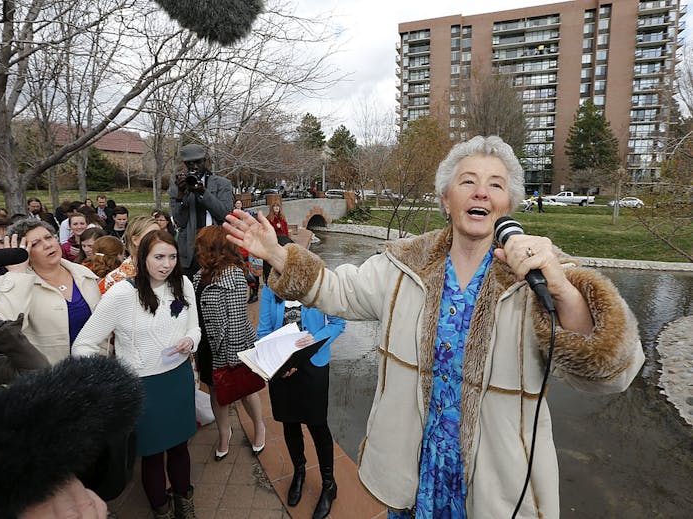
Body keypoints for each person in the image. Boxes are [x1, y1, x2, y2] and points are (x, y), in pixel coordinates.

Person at [224, 135, 644, 518]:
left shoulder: (540, 272)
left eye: (496, 184)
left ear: (508, 205)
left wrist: (564, 291)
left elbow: (613, 373)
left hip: (495, 486)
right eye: (468, 181)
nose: (481, 191)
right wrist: (279, 256)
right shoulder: (404, 264)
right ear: (446, 198)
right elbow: (341, 291)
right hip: (415, 471)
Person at [73, 230, 201, 519]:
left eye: (171, 257)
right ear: (142, 258)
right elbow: (83, 343)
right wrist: (109, 378)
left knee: (181, 447)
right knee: (153, 454)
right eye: (159, 257)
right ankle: (161, 509)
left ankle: (184, 501)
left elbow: (195, 327)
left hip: (178, 380)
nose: (166, 264)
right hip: (142, 386)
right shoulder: (121, 293)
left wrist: (191, 341)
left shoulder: (183, 283)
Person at [256, 235, 346, 519]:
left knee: (318, 425)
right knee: (290, 423)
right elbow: (263, 331)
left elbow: (339, 324)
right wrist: (277, 362)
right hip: (283, 367)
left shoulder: (317, 281)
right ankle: (298, 471)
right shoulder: (271, 289)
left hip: (313, 363)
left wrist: (308, 345)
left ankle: (329, 483)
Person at [192, 225, 265, 461]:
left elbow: (236, 318)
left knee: (244, 389)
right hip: (207, 345)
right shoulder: (199, 275)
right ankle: (225, 433)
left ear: (214, 247)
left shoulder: (233, 274)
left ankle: (259, 426)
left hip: (230, 346)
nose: (198, 249)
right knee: (215, 390)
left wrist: (234, 358)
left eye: (201, 245)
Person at [0, 219, 106, 364]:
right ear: (24, 252)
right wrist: (17, 274)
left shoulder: (83, 273)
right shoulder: (9, 284)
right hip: (48, 376)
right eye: (35, 243)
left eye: (49, 237)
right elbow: (3, 329)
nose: (47, 245)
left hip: (97, 370)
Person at [169, 143, 234, 278]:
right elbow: (180, 222)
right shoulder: (177, 186)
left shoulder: (222, 184)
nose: (195, 167)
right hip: (190, 251)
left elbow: (225, 214)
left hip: (216, 248)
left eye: (198, 162)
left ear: (205, 161)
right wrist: (181, 197)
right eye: (190, 163)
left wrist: (203, 192)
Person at [100, 216, 160, 292]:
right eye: (152, 236)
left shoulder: (167, 268)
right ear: (135, 240)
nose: (159, 239)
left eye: (160, 234)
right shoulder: (117, 278)